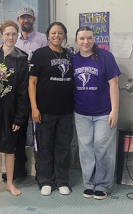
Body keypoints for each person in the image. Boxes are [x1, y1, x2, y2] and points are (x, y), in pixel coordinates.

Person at [0, 7, 49, 182]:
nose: (26, 20)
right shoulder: (12, 40)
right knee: (18, 129)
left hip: (37, 90)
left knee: (39, 129)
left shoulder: (43, 38)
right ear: (19, 20)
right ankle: (18, 167)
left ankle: (42, 170)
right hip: (16, 91)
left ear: (33, 20)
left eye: (29, 18)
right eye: (23, 18)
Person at [71, 26, 120, 200]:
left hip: (104, 112)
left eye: (89, 38)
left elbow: (113, 85)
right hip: (81, 112)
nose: (86, 42)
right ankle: (89, 184)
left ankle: (103, 184)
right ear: (76, 40)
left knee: (102, 147)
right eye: (82, 38)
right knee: (86, 149)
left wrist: (115, 110)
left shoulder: (106, 57)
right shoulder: (72, 59)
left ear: (94, 39)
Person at [29, 22, 74, 196]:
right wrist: (34, 107)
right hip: (44, 110)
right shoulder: (40, 54)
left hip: (65, 110)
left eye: (60, 33)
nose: (57, 35)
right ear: (48, 35)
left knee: (63, 147)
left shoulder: (70, 55)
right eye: (53, 32)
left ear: (64, 36)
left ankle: (62, 180)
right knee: (45, 146)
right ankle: (45, 180)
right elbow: (32, 82)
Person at [0, 20, 29, 196]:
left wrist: (19, 117)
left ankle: (10, 183)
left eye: (14, 34)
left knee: (9, 148)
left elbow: (22, 91)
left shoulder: (21, 59)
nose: (11, 37)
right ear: (2, 35)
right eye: (7, 34)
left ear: (17, 35)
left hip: (10, 110)